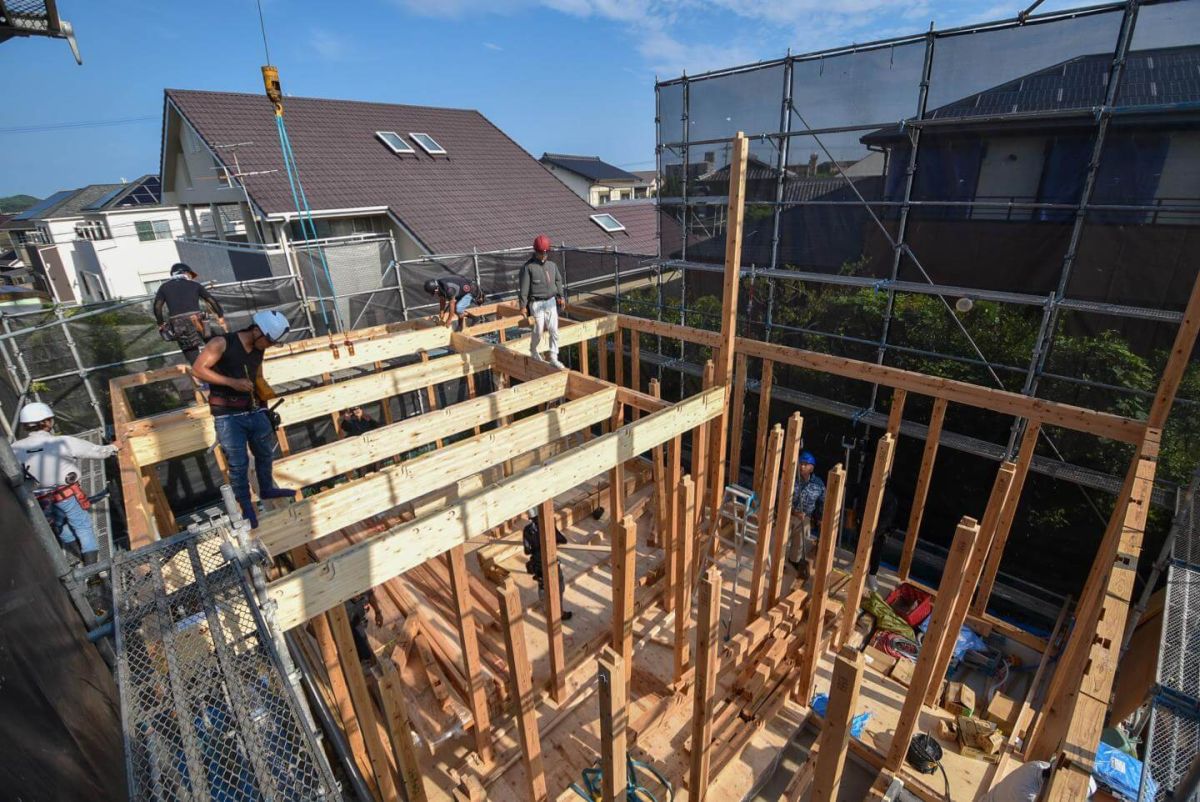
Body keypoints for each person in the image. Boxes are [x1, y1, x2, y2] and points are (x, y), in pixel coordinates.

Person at [192, 309, 296, 528]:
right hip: (229, 416)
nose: (268, 346)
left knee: (265, 453)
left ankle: (266, 488)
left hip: (253, 409)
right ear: (256, 330)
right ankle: (246, 506)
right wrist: (232, 382)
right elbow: (198, 369)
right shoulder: (222, 343)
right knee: (238, 465)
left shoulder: (260, 347)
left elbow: (256, 374)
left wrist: (265, 406)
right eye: (268, 341)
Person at [11, 402, 118, 567]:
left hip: (40, 499)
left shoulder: (14, 449)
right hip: (66, 494)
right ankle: (92, 567)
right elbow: (96, 452)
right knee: (82, 525)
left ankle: (78, 556)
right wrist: (113, 447)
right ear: (47, 422)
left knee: (60, 527)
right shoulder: (61, 442)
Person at [154, 263, 228, 364]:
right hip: (198, 319)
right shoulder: (195, 285)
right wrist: (220, 316)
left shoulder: (164, 287)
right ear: (184, 273)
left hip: (178, 323)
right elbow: (211, 300)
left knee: (191, 352)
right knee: (213, 344)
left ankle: (201, 375)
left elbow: (157, 307)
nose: (190, 276)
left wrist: (160, 323)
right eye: (189, 274)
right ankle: (223, 368)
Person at [518, 234, 566, 369]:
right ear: (535, 251)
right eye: (541, 252)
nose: (544, 255)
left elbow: (558, 280)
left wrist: (561, 296)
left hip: (551, 301)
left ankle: (553, 357)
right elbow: (524, 288)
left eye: (545, 252)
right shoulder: (529, 267)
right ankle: (533, 350)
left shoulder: (552, 265)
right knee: (538, 330)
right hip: (536, 303)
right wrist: (523, 306)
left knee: (554, 330)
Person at [522, 507, 573, 621]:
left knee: (543, 586)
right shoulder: (548, 526)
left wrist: (536, 545)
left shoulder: (527, 530)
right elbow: (562, 540)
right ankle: (558, 613)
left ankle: (546, 609)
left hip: (538, 564)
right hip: (551, 562)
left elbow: (527, 551)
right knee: (558, 587)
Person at [786, 451, 826, 581]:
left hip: (805, 517)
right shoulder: (791, 479)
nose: (802, 466)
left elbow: (822, 502)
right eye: (801, 464)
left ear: (812, 468)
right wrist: (794, 512)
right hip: (788, 514)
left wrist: (819, 518)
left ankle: (793, 560)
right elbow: (780, 498)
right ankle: (777, 560)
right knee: (781, 538)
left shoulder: (818, 484)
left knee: (799, 541)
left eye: (805, 464)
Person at [346, 590, 384, 663]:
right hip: (343, 623)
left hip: (356, 620)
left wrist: (378, 612)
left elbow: (370, 594)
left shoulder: (362, 584)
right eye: (355, 594)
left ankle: (367, 659)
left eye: (360, 594)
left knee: (365, 650)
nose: (358, 596)